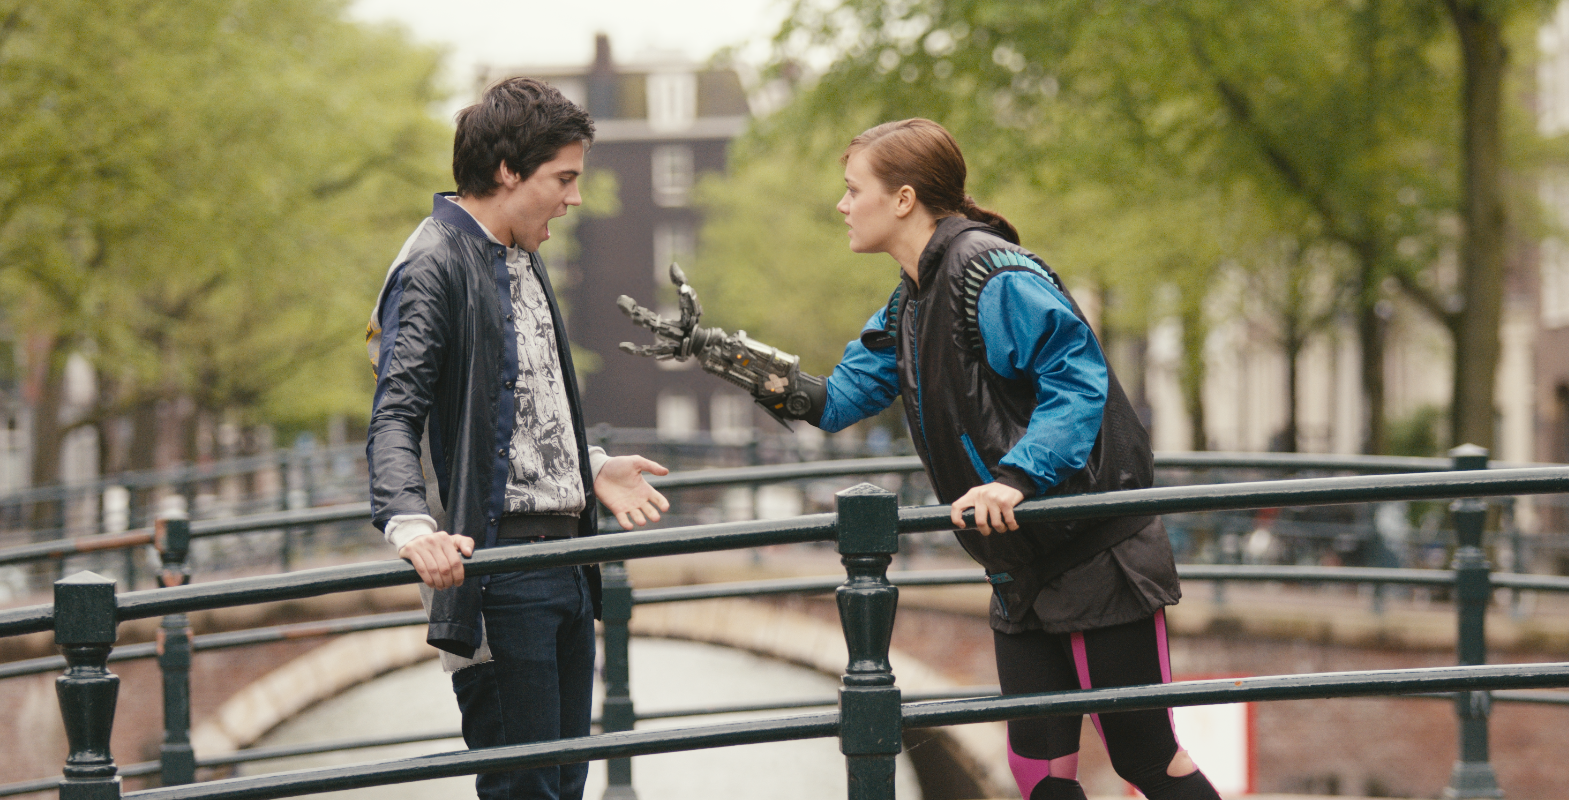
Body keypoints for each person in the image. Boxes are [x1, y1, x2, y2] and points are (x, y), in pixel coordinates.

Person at [620, 118, 1217, 800]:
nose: (842, 205)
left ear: (903, 199)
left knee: (1146, 759)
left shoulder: (994, 276)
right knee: (1040, 778)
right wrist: (720, 354)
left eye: (854, 190)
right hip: (1020, 565)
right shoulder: (912, 297)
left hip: (1096, 554)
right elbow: (837, 400)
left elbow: (1079, 381)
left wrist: (1017, 479)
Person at [367, 77, 671, 800]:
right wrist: (410, 526)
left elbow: (513, 402)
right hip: (499, 570)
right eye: (563, 179)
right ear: (508, 171)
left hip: (564, 560)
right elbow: (395, 414)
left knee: (563, 783)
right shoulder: (433, 264)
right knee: (525, 790)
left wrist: (588, 466)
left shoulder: (522, 255)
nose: (575, 198)